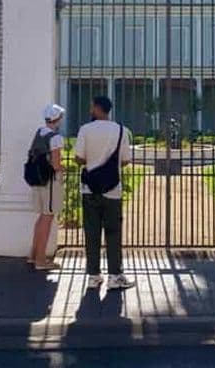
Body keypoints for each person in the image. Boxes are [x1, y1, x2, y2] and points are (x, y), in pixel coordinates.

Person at [74, 96, 135, 291]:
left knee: (91, 232)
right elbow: (125, 160)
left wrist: (92, 161)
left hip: (89, 188)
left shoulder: (85, 129)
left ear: (97, 108)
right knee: (113, 233)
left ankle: (94, 276)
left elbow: (78, 158)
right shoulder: (121, 130)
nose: (90, 109)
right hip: (112, 189)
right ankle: (115, 276)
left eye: (91, 106)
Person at [27, 103, 66, 270]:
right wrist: (64, 168)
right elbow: (56, 164)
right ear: (58, 119)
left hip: (38, 180)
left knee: (42, 217)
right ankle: (41, 260)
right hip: (50, 182)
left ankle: (33, 255)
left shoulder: (39, 133)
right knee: (47, 217)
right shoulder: (55, 138)